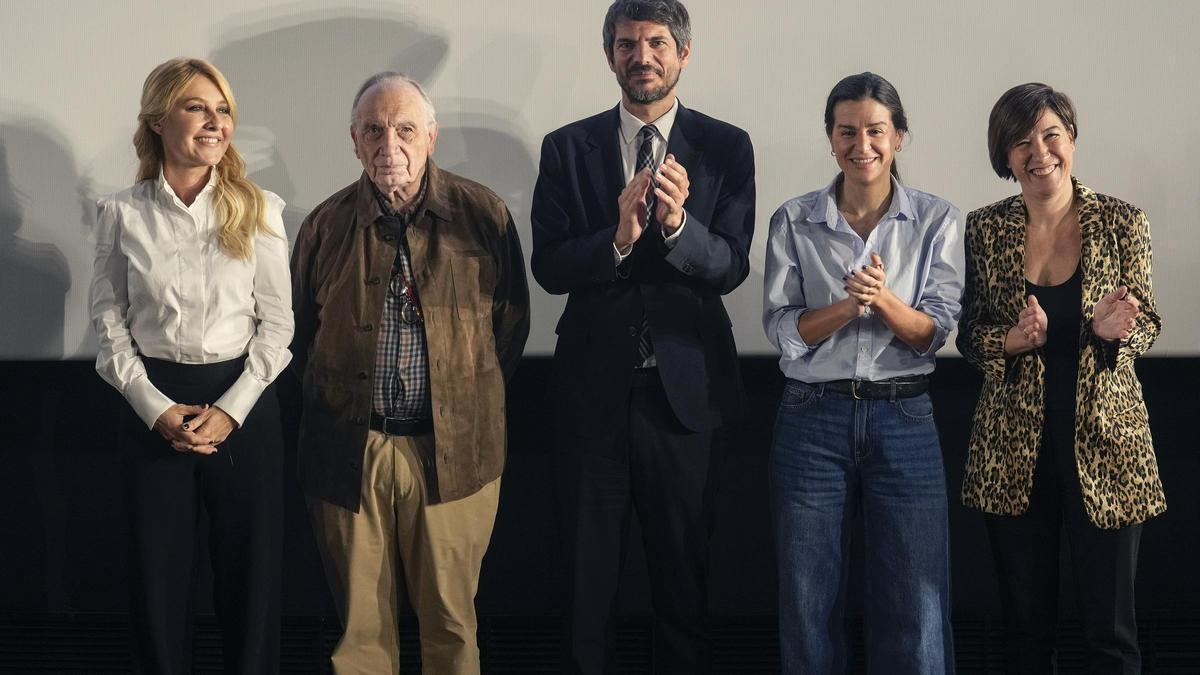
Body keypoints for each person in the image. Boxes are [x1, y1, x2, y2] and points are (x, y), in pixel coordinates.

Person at [530, 1, 754, 671]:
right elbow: (548, 264)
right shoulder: (568, 147)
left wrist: (681, 226)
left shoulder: (725, 146)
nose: (642, 55)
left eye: (657, 43)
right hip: (591, 402)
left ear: (684, 54)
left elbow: (731, 265)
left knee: (683, 589)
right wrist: (618, 241)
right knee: (585, 591)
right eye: (627, 44)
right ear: (610, 57)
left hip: (685, 403)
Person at [290, 72, 529, 674]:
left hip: (454, 451)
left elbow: (509, 327)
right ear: (353, 140)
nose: (387, 145)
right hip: (350, 449)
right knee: (360, 635)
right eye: (373, 130)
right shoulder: (324, 226)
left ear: (430, 137)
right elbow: (299, 335)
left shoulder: (483, 215)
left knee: (451, 624)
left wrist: (459, 401)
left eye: (403, 130)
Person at [90, 57, 292, 673]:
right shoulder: (120, 213)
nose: (215, 121)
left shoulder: (259, 208)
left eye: (223, 109)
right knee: (157, 589)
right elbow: (108, 324)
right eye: (197, 107)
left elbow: (278, 328)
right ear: (158, 120)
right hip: (153, 408)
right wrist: (155, 410)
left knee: (251, 589)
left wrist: (229, 413)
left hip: (244, 407)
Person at [957, 83, 1165, 675]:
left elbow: (1145, 321)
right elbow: (969, 334)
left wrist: (1112, 332)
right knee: (1024, 632)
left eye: (1051, 135)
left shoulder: (1123, 221)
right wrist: (1012, 340)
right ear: (1005, 157)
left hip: (1109, 445)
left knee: (1112, 632)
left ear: (1071, 139)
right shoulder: (983, 229)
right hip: (1012, 449)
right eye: (1021, 142)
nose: (1039, 151)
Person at [762, 72, 962, 673]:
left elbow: (938, 330)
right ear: (830, 139)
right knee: (807, 599)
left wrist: (882, 300)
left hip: (904, 415)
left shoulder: (937, 220)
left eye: (876, 131)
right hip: (810, 418)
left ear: (899, 136)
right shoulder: (794, 220)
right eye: (847, 132)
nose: (862, 145)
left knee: (916, 600)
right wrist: (849, 307)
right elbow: (780, 328)